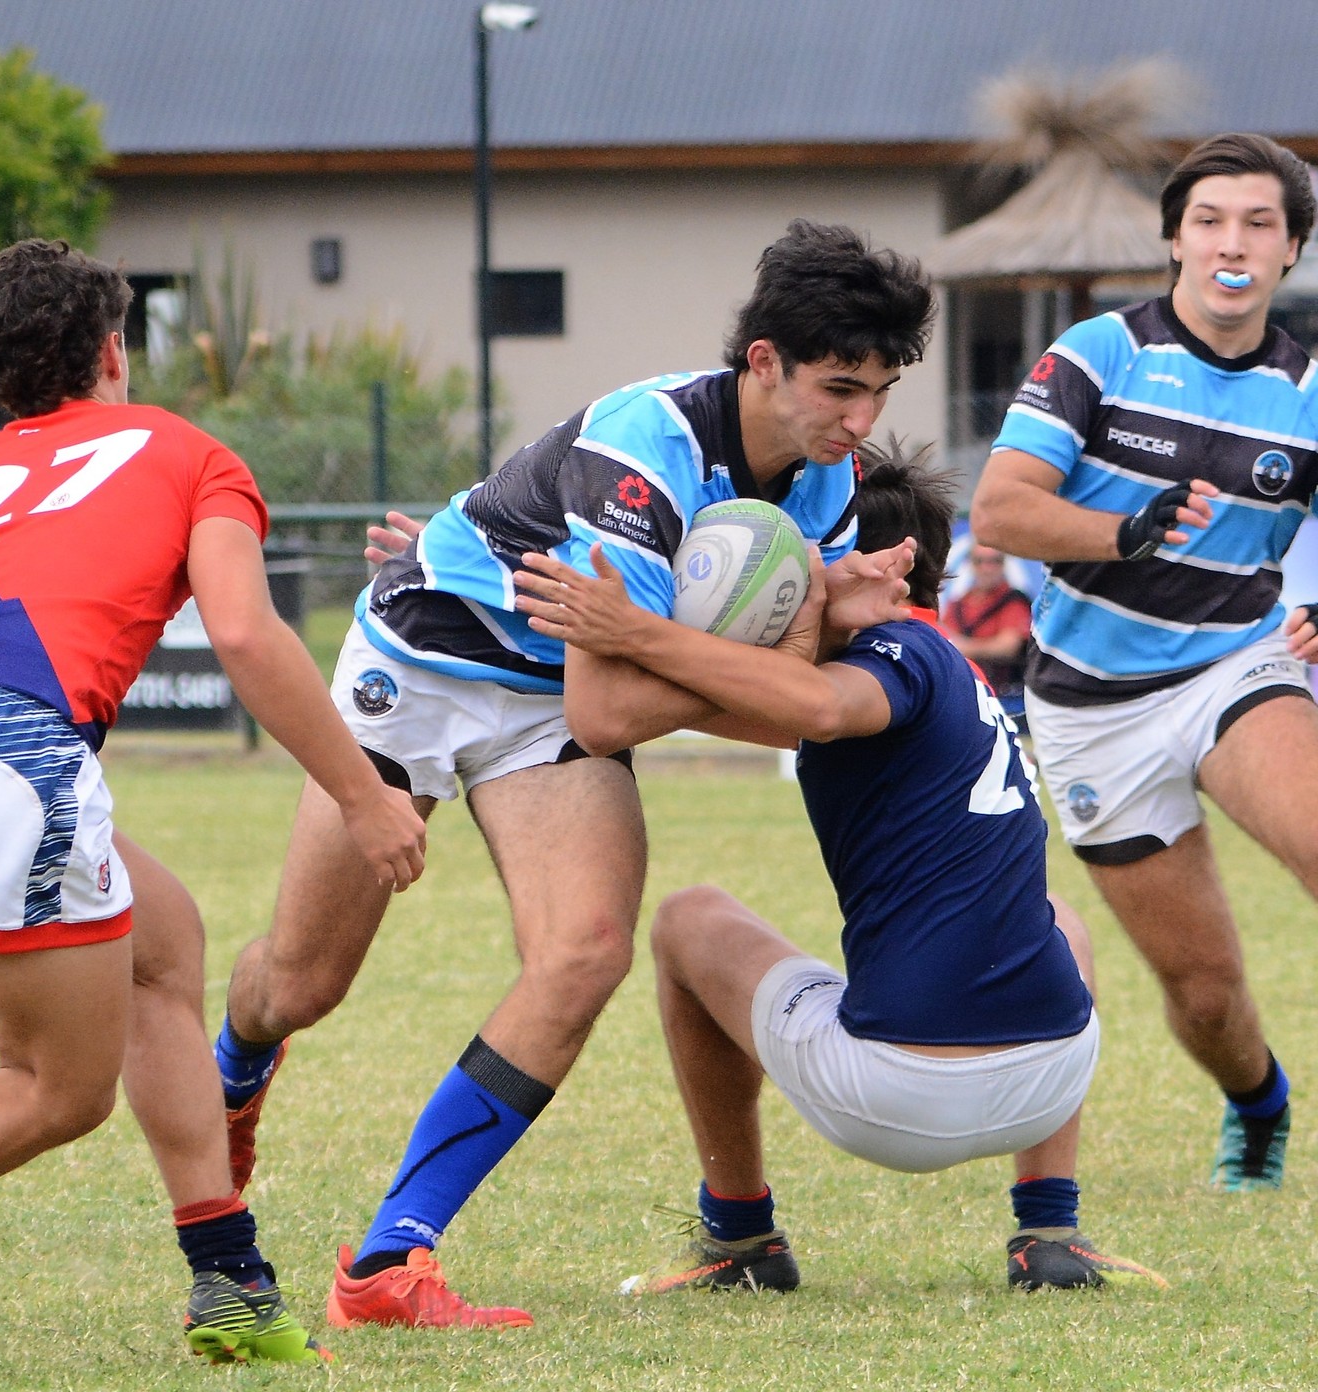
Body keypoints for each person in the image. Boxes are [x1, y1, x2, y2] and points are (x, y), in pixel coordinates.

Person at [212, 219, 931, 1328]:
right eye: (840, 388)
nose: (859, 422)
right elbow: (626, 708)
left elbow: (759, 706)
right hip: (425, 664)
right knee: (302, 985)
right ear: (762, 362)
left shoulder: (824, 487)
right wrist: (761, 672)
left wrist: (789, 639)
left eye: (879, 393)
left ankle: (390, 1262)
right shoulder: (644, 457)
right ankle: (236, 1067)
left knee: (584, 950)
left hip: (550, 703)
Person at [0, 238, 426, 1362]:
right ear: (115, 351)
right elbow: (242, 631)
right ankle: (229, 1284)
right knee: (53, 1094)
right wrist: (362, 794)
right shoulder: (189, 454)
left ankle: (229, 1282)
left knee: (162, 941)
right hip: (17, 766)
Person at [512, 439, 1164, 1292]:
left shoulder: (899, 660)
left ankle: (740, 1240)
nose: (795, 573)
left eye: (811, 550)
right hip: (1052, 1073)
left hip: (895, 1098)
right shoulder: (950, 672)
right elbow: (661, 709)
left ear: (889, 568)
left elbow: (816, 705)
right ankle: (1049, 1228)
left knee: (688, 920)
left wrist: (636, 627)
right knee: (1059, 918)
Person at [968, 132, 1318, 1191]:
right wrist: (1125, 530)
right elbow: (1001, 508)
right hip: (1091, 711)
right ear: (1173, 238)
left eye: (1261, 223)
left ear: (1292, 250)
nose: (1232, 243)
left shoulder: (1308, 386)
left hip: (1236, 666)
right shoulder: (1099, 355)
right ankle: (1257, 1103)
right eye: (1210, 220)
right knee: (1205, 996)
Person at [939, 543, 1032, 717]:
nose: (987, 568)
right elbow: (943, 642)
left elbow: (1008, 647)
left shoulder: (1014, 601)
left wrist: (963, 647)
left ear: (1004, 565)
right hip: (965, 696)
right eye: (979, 561)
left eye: (994, 561)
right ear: (970, 565)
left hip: (1008, 702)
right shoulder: (958, 604)